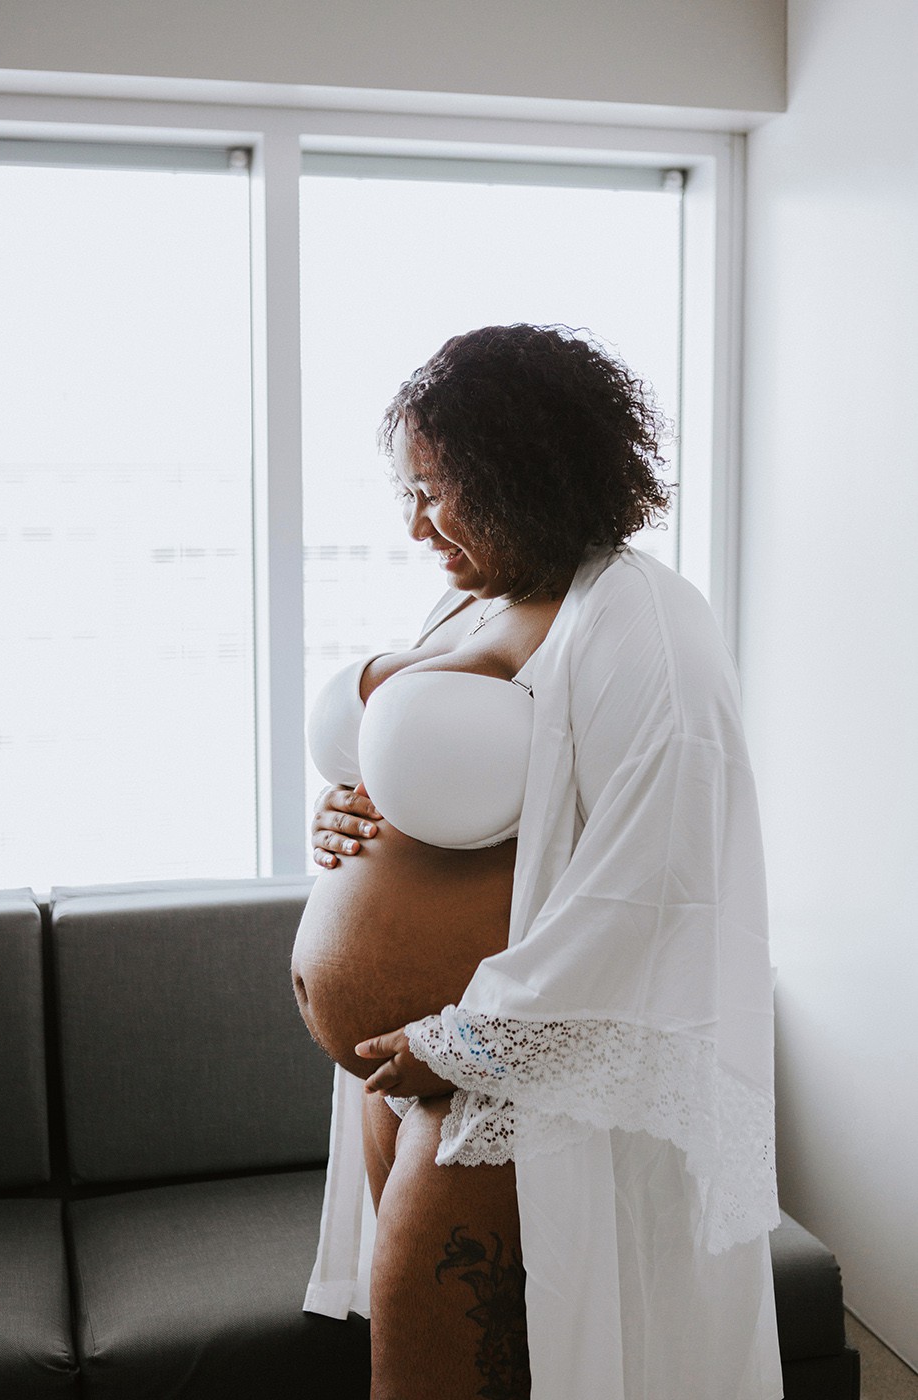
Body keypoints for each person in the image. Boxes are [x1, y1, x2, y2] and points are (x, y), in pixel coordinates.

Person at [293, 324, 782, 1400]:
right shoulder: (473, 598)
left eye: (438, 490)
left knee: (440, 1366)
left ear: (522, 470)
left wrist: (465, 1038)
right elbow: (467, 804)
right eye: (405, 493)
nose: (418, 525)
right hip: (415, 1070)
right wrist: (343, 817)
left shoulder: (639, 615)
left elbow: (659, 872)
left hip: (508, 1077)